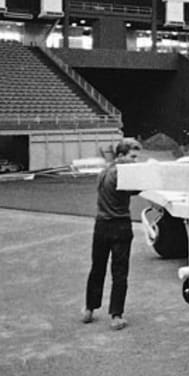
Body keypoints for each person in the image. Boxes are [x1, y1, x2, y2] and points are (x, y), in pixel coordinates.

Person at [82, 137, 142, 330]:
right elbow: (138, 189)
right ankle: (116, 315)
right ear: (121, 155)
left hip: (100, 225)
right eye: (132, 157)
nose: (135, 162)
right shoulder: (122, 174)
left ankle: (89, 309)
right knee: (120, 271)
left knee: (97, 268)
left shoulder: (103, 172)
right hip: (120, 225)